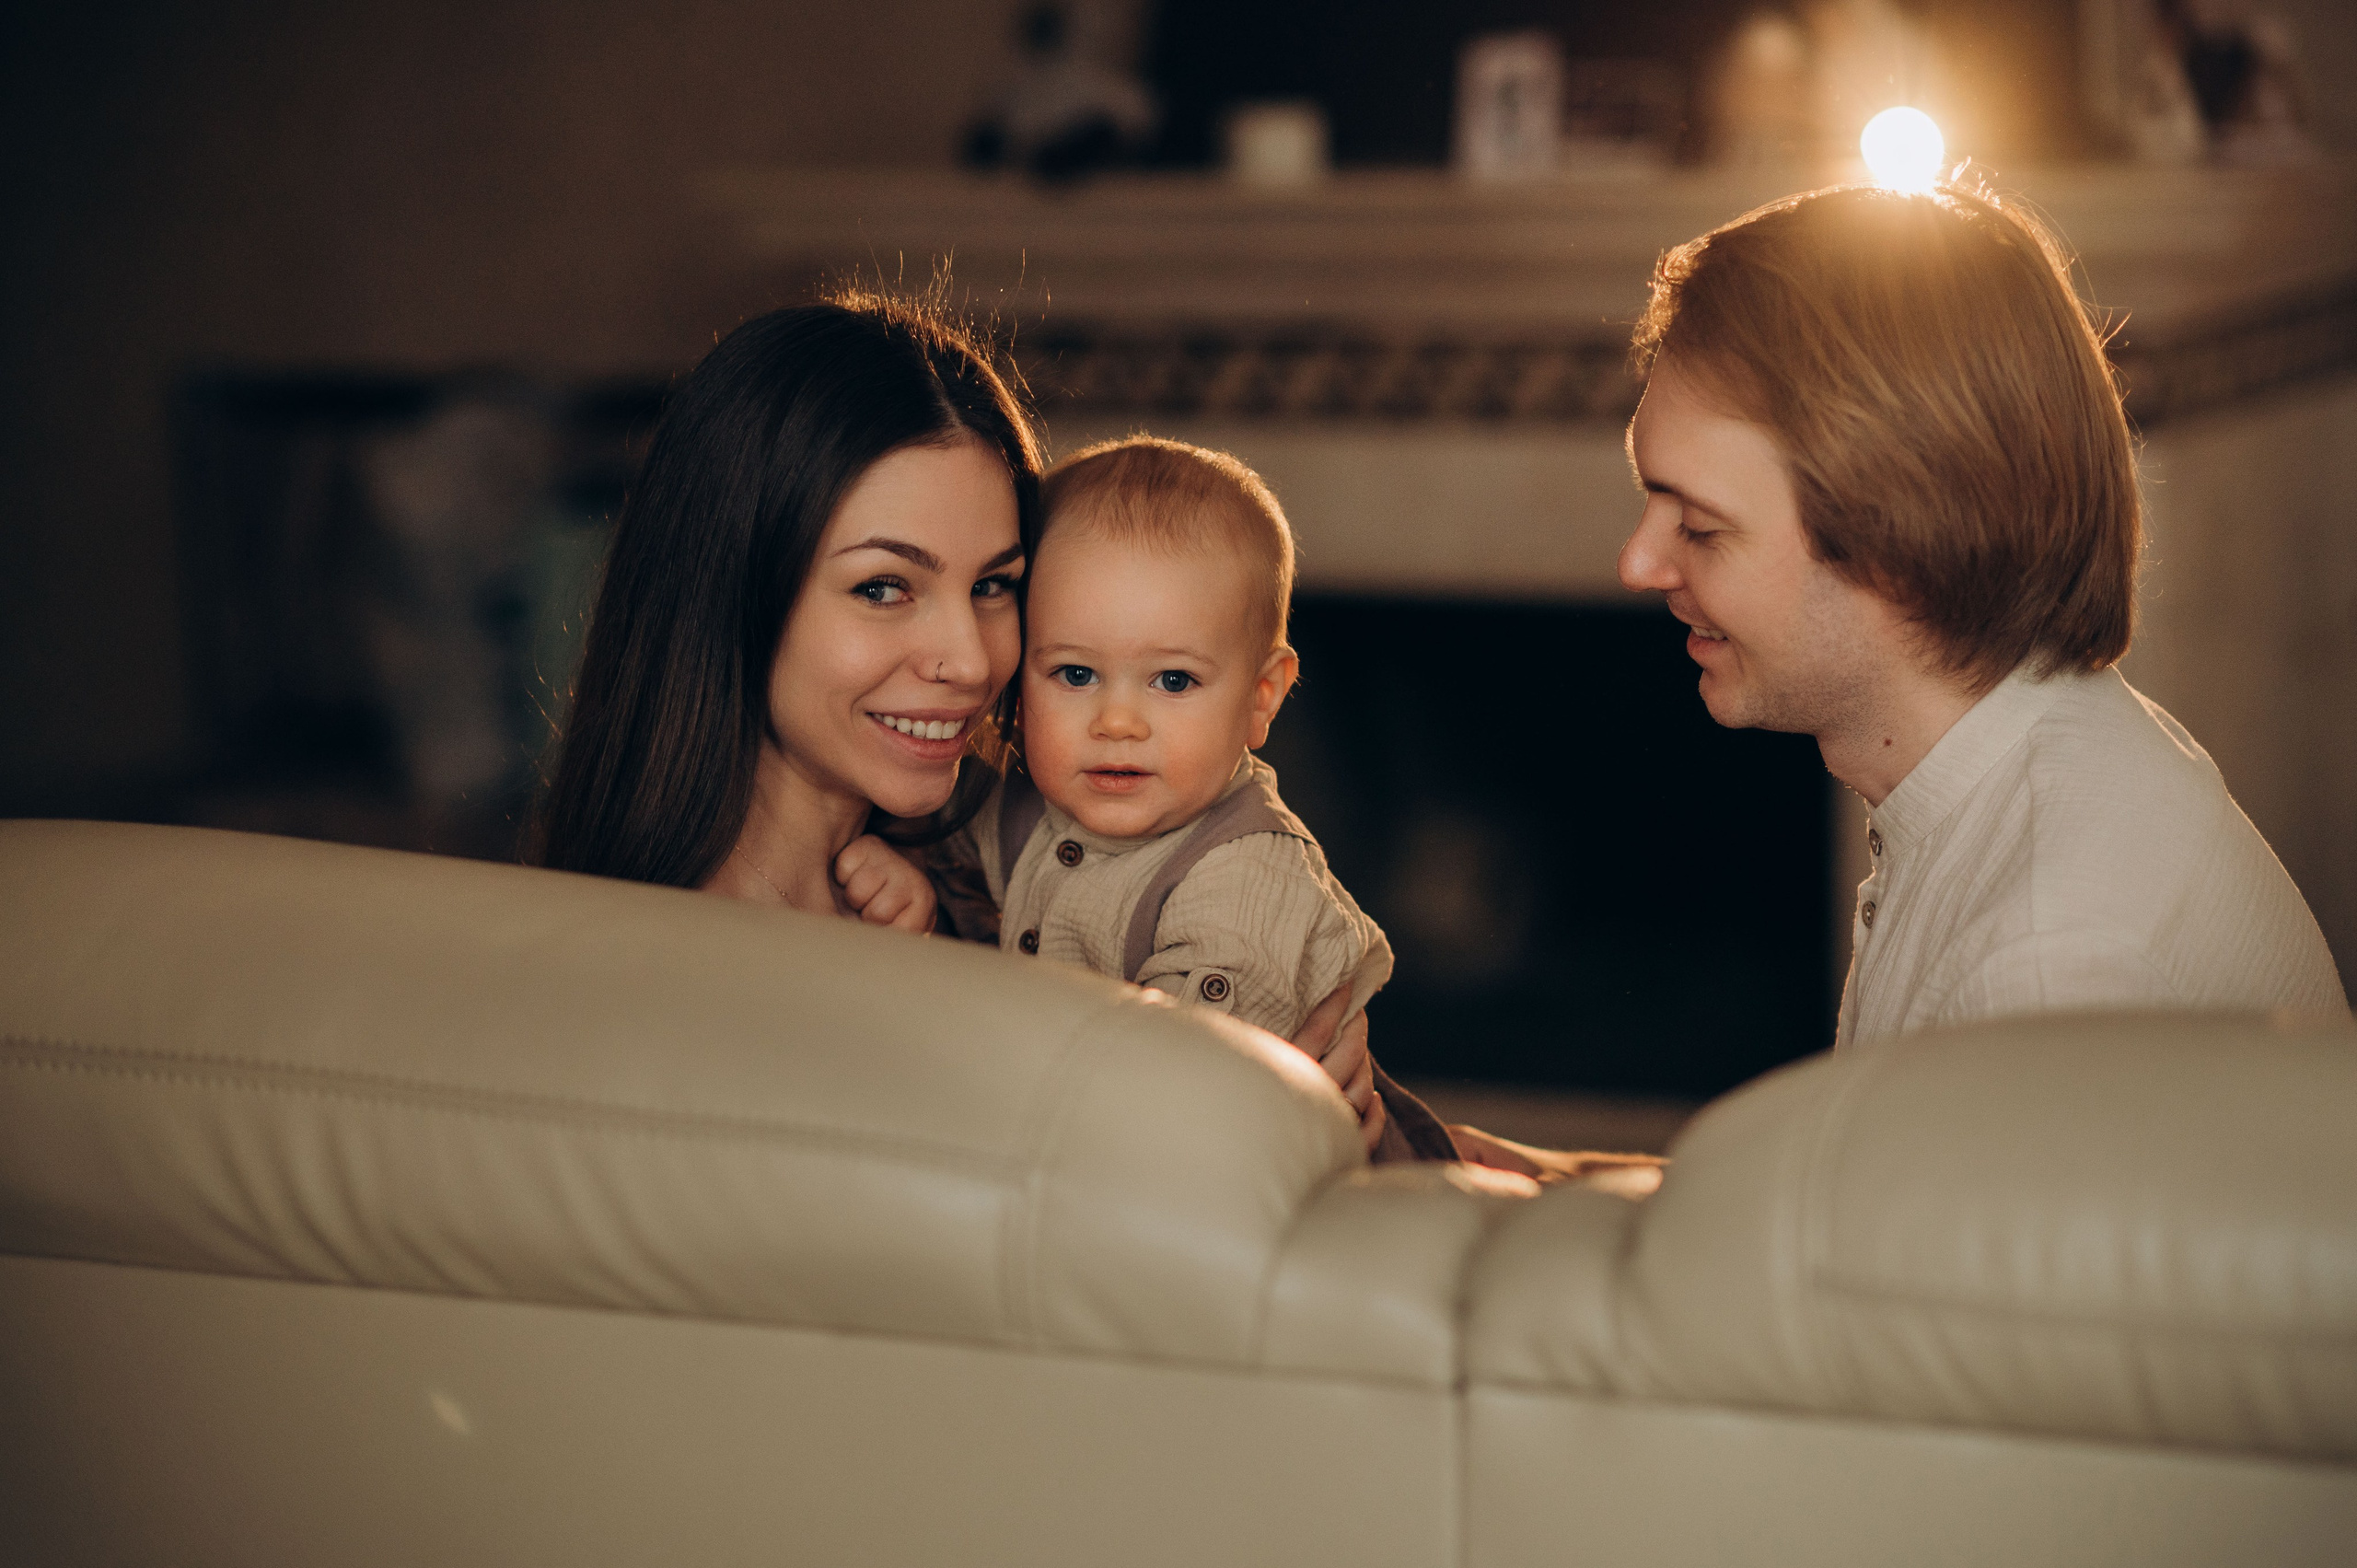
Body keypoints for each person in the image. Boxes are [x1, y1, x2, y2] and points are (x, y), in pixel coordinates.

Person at [531, 291, 1393, 1144]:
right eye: (883, 587)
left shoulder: (1001, 859)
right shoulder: (681, 982)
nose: (974, 661)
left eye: (992, 586)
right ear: (731, 593)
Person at [1614, 180, 2348, 1045]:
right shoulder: (2000, 781)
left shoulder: (2044, 964)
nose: (1638, 563)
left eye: (1699, 526)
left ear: (1897, 545)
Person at [959, 436, 1457, 1161]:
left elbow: (1176, 1104)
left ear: (1263, 697)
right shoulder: (1022, 809)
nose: (1117, 722)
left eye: (1173, 681)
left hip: (1325, 1215)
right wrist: (903, 878)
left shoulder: (1245, 879)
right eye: (1073, 674)